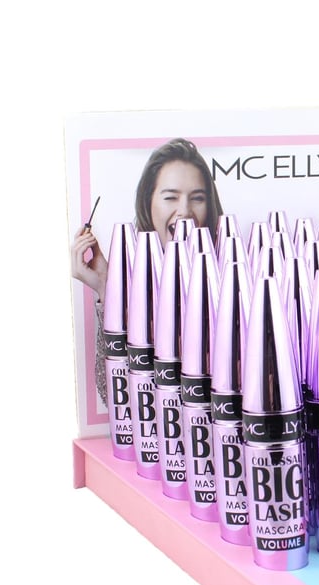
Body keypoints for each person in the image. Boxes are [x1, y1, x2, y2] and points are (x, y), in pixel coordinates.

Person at [69, 138, 224, 402]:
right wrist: (107, 287)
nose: (185, 211)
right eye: (170, 197)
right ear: (147, 203)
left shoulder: (227, 280)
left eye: (197, 198)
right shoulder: (136, 282)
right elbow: (114, 397)